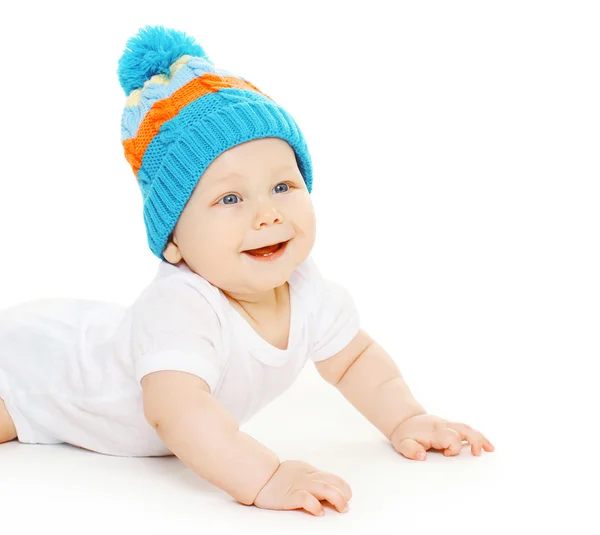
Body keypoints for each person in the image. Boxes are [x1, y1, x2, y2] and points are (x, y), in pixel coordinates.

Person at [0, 25, 494, 516]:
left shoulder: (306, 288)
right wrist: (265, 476)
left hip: (88, 339)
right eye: (230, 198)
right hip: (35, 372)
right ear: (173, 243)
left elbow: (355, 362)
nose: (267, 213)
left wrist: (407, 418)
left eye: (282, 186)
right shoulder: (180, 306)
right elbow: (177, 412)